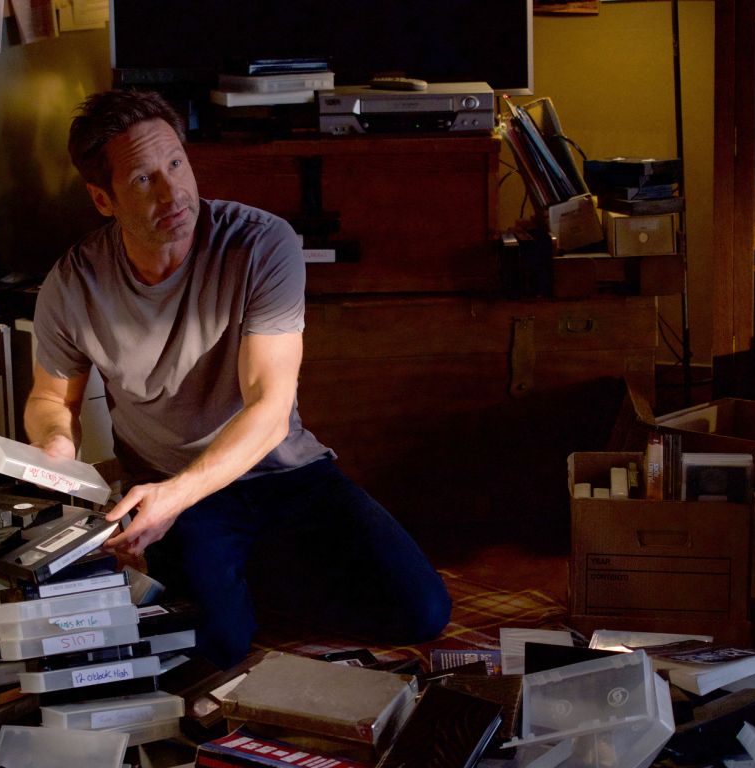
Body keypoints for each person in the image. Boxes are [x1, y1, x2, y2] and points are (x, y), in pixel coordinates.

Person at [25, 89, 451, 668]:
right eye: (144, 180)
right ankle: (229, 591)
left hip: (284, 474)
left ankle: (242, 582)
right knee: (218, 646)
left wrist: (175, 498)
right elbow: (52, 397)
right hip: (170, 488)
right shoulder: (74, 282)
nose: (173, 192)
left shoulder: (261, 243)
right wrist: (55, 449)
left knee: (422, 612)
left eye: (176, 163)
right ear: (104, 199)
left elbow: (270, 410)